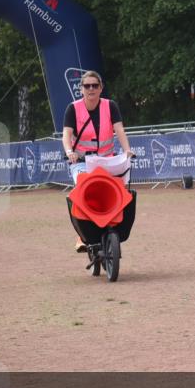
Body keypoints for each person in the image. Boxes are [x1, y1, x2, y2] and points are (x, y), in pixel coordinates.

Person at [61, 70, 135, 252]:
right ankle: (81, 235)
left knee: (122, 188)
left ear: (101, 88)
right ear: (81, 89)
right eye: (87, 86)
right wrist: (69, 151)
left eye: (95, 85)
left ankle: (115, 225)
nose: (91, 89)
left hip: (106, 159)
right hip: (82, 161)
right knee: (81, 187)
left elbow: (119, 130)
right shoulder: (73, 108)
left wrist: (127, 151)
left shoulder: (110, 106)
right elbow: (66, 135)